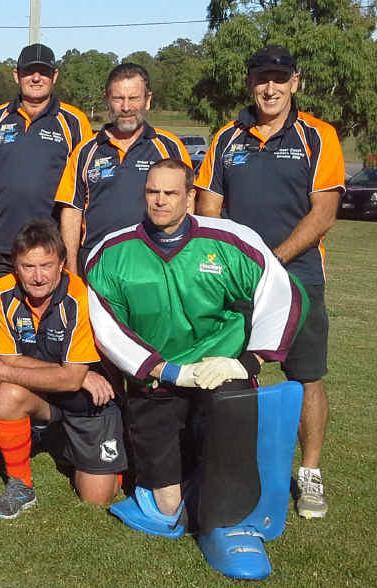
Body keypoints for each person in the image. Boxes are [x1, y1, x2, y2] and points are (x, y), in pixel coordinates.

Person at [86, 159, 308, 580]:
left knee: (228, 487)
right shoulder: (111, 253)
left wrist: (244, 362)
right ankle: (185, 489)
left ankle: (230, 520)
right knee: (167, 510)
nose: (161, 200)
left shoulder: (232, 241)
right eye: (153, 192)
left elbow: (284, 294)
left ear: (190, 196)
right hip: (156, 384)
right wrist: (166, 370)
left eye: (171, 193)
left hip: (221, 378)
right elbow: (105, 329)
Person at [195, 45, 343, 520]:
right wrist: (232, 266)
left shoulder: (318, 136)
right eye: (262, 78)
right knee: (232, 371)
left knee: (306, 377)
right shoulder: (226, 139)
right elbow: (209, 212)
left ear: (295, 83)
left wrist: (272, 261)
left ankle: (310, 473)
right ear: (250, 82)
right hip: (237, 280)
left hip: (298, 276)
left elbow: (323, 213)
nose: (270, 87)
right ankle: (234, 468)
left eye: (280, 78)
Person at [0, 219, 125, 519]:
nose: (37, 277)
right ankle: (21, 485)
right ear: (15, 266)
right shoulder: (1, 292)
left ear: (62, 263)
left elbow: (66, 379)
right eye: (27, 267)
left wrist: (75, 375)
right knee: (7, 397)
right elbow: (8, 357)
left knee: (97, 498)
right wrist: (68, 373)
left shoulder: (80, 295)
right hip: (46, 397)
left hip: (89, 403)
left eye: (46, 265)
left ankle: (101, 452)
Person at [0, 43, 91, 284]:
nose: (35, 78)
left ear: (55, 76)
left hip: (49, 251)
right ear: (16, 75)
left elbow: (83, 192)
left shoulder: (75, 122)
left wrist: (71, 257)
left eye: (43, 72)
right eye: (28, 71)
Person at [55, 63, 189, 274]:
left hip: (155, 262)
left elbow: (187, 205)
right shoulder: (85, 151)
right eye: (118, 99)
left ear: (148, 100)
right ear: (107, 99)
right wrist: (71, 270)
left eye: (134, 98)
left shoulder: (170, 147)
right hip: (97, 263)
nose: (126, 107)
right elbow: (72, 212)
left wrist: (182, 262)